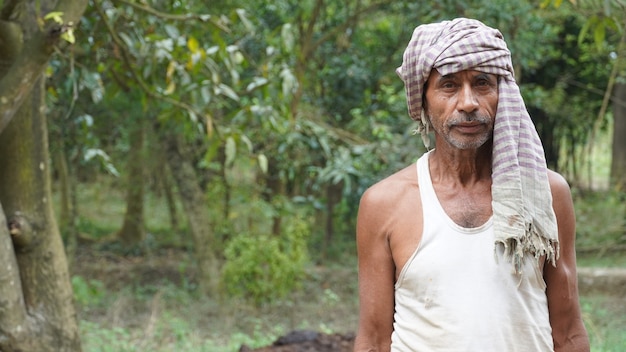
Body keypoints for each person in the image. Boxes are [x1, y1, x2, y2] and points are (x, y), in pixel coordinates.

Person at [354, 18, 590, 352]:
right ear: (423, 100)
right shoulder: (384, 203)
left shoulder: (545, 194)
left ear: (502, 95)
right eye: (448, 85)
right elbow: (374, 340)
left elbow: (567, 333)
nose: (467, 103)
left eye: (482, 83)